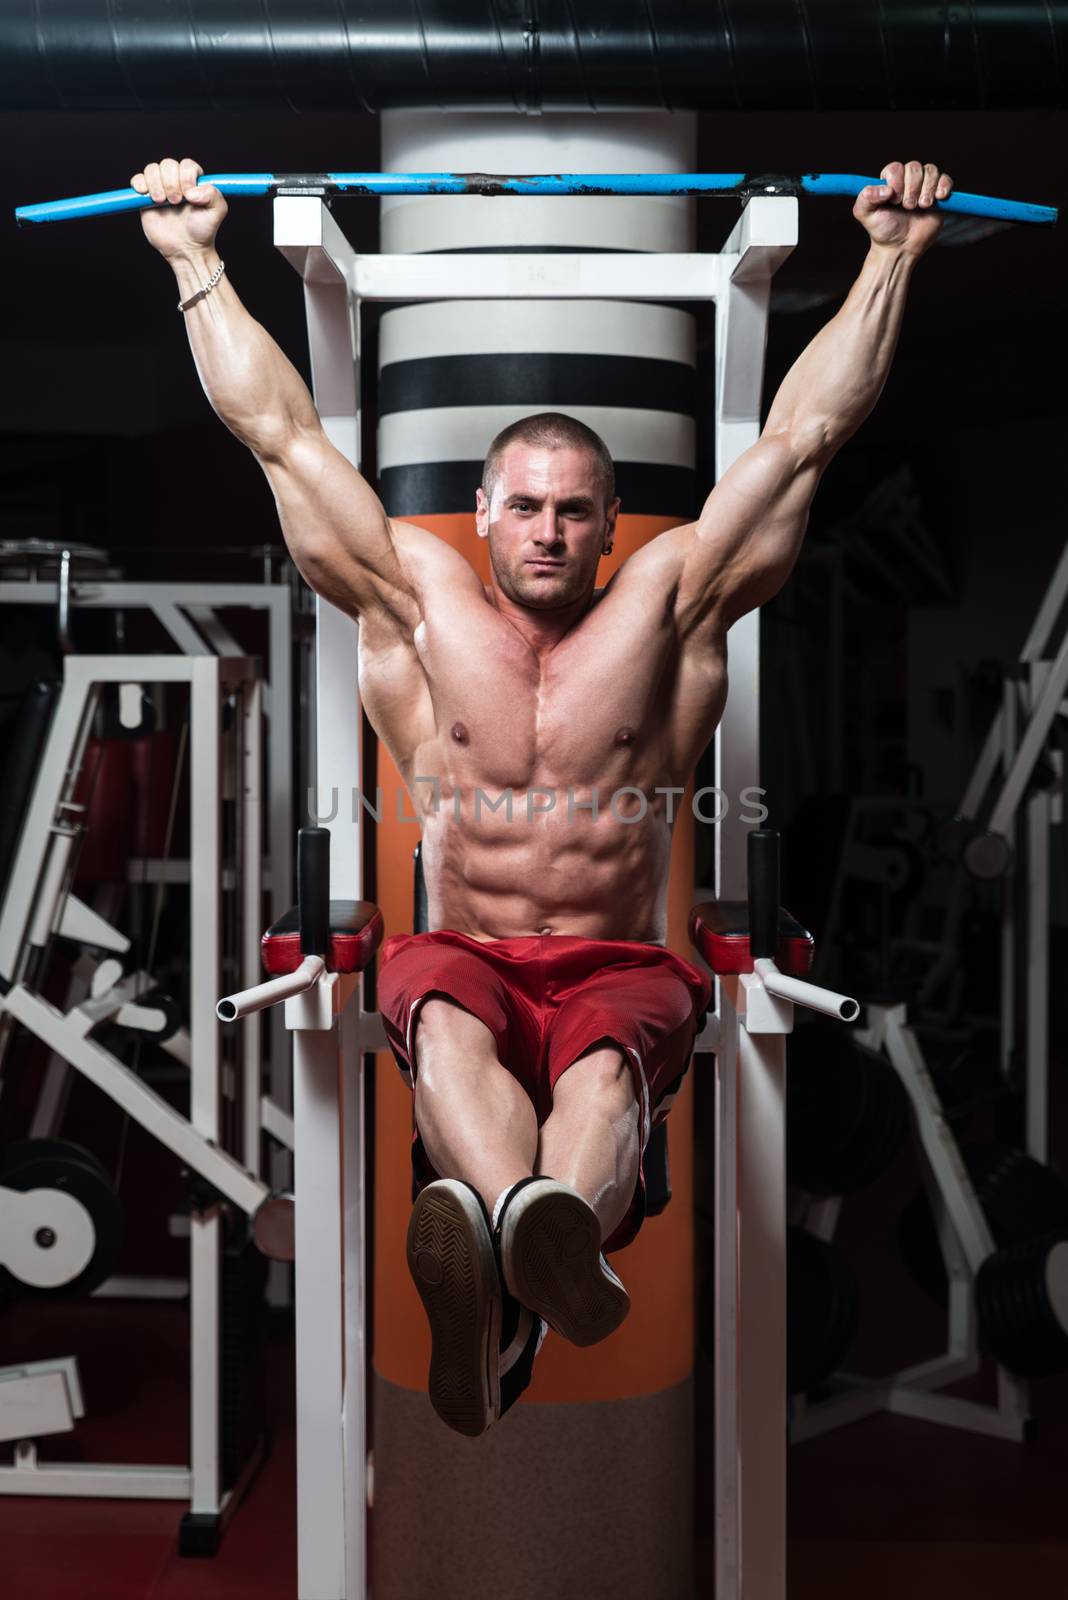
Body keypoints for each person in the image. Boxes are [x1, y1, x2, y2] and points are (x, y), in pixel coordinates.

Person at [133, 153, 953, 1436]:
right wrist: (192, 259)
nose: (549, 532)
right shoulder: (416, 597)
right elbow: (281, 434)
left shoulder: (671, 603)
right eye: (525, 506)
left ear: (616, 522)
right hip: (464, 946)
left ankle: (513, 1251)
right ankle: (533, 1246)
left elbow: (804, 437)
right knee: (450, 1023)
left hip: (619, 956)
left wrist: (894, 254)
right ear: (482, 508)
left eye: (577, 511)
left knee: (609, 1087)